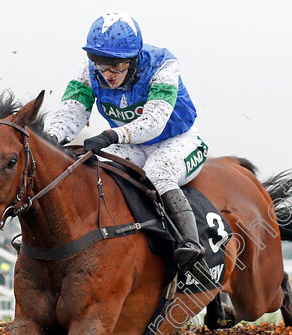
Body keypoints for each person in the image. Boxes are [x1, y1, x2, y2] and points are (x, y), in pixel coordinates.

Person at [45, 11, 209, 273]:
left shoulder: (163, 66)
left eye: (117, 66)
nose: (108, 74)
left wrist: (111, 135)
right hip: (133, 144)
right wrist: (51, 139)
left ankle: (191, 244)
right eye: (101, 64)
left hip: (178, 140)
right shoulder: (89, 72)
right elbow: (71, 111)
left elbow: (154, 121)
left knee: (159, 171)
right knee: (91, 166)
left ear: (133, 60)